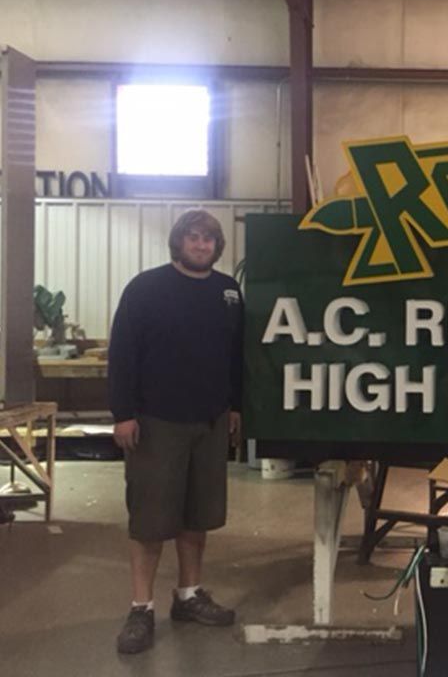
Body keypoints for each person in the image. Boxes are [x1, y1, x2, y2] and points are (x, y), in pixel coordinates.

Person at [109, 210, 243, 654]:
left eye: (209, 239)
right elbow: (122, 353)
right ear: (179, 242)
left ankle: (188, 595)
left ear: (217, 246)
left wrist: (236, 406)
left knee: (196, 518)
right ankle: (141, 608)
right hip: (156, 423)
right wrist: (123, 414)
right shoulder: (145, 288)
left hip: (210, 423)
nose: (201, 245)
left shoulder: (228, 292)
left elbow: (235, 355)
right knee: (150, 521)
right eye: (194, 237)